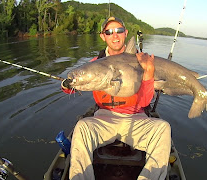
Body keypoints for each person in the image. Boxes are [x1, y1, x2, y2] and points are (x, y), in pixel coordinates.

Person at [62, 17, 171, 180]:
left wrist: (148, 73)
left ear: (125, 33)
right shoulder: (94, 63)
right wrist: (67, 84)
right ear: (102, 36)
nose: (115, 35)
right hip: (104, 120)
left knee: (163, 128)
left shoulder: (141, 62)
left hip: (136, 120)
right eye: (109, 32)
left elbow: (144, 102)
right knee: (82, 127)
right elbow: (72, 86)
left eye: (119, 30)